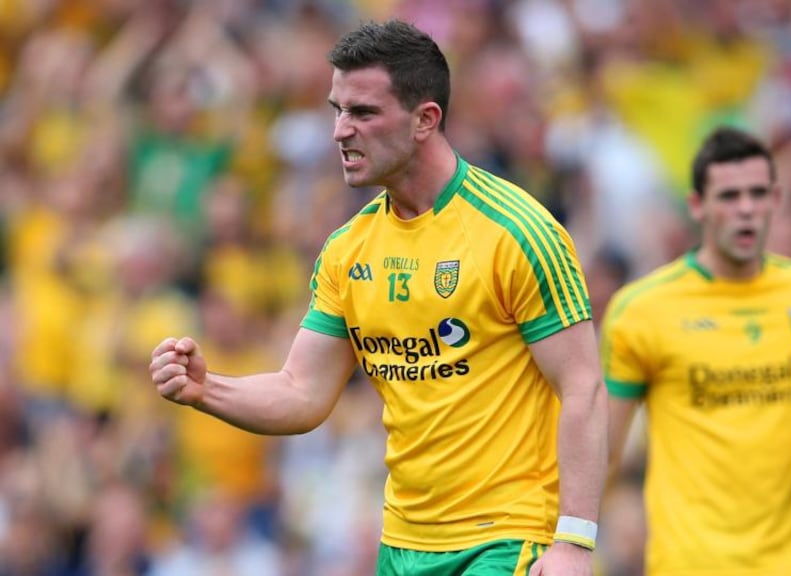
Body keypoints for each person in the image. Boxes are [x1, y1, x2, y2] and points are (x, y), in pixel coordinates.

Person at [149, 19, 607, 576]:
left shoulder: (517, 232)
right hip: (401, 542)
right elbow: (301, 392)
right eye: (336, 110)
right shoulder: (348, 249)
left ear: (425, 120)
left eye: (363, 113)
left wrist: (574, 542)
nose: (341, 131)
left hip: (507, 539)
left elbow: (582, 386)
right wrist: (206, 388)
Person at [600, 126, 791, 575]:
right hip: (692, 563)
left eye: (757, 194)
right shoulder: (642, 310)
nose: (746, 210)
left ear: (776, 201)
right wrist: (570, 538)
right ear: (697, 206)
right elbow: (603, 445)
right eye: (729, 196)